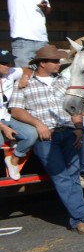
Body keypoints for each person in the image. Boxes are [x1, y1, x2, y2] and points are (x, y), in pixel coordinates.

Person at [7, 45, 84, 233]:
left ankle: (78, 219)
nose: (59, 64)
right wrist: (37, 124)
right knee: (61, 177)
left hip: (69, 131)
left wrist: (79, 128)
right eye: (55, 61)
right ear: (42, 64)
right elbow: (15, 110)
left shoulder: (63, 82)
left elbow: (75, 107)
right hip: (46, 136)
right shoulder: (25, 83)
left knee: (73, 176)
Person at [1, 48, 37, 180]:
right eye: (4, 63)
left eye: (9, 62)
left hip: (6, 117)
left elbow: (28, 69)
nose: (8, 65)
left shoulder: (10, 73)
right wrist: (4, 128)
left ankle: (13, 160)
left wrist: (24, 77)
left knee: (32, 134)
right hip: (2, 122)